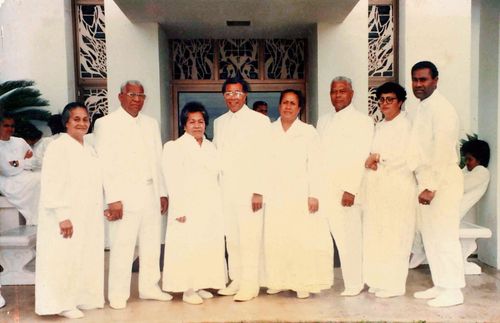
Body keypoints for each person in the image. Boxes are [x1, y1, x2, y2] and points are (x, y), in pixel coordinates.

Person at [93, 80, 171, 309]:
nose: (136, 99)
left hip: (150, 192)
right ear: (120, 97)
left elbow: (158, 159)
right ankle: (118, 293)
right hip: (124, 198)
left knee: (152, 243)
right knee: (122, 245)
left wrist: (162, 192)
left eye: (140, 95)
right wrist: (113, 198)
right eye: (132, 95)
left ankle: (149, 287)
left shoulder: (151, 123)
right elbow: (104, 164)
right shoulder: (106, 124)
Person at [35, 102, 104, 319]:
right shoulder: (58, 146)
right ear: (66, 122)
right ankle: (61, 303)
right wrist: (62, 216)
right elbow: (52, 183)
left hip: (86, 213)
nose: (82, 123)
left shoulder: (89, 148)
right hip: (65, 215)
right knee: (63, 259)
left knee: (81, 257)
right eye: (77, 119)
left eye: (85, 119)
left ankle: (80, 298)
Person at [264, 89, 333, 299]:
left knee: (300, 240)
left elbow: (316, 165)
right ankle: (279, 281)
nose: (288, 107)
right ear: (279, 106)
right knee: (277, 238)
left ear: (299, 108)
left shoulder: (308, 132)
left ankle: (301, 282)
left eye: (293, 103)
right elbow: (262, 164)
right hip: (275, 195)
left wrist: (314, 194)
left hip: (300, 194)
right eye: (285, 102)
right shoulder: (269, 131)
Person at [409, 61, 465, 307]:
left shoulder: (442, 109)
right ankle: (441, 284)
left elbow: (442, 151)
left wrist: (431, 186)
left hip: (441, 182)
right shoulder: (423, 107)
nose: (418, 85)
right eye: (415, 80)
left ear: (436, 80)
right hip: (426, 181)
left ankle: (454, 290)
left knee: (444, 235)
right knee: (431, 236)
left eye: (423, 80)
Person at [161, 102, 227, 305]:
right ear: (184, 125)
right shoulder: (174, 147)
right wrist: (178, 208)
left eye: (200, 121)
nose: (197, 125)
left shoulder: (210, 147)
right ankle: (188, 289)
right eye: (192, 122)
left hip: (209, 205)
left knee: (206, 245)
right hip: (187, 206)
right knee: (187, 246)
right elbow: (172, 180)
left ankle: (201, 283)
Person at [213, 76, 271, 302]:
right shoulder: (219, 122)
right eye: (228, 93)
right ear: (224, 96)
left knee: (249, 238)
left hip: (250, 192)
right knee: (233, 239)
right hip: (226, 191)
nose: (233, 97)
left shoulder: (259, 121)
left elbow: (265, 158)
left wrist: (259, 190)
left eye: (237, 93)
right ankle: (236, 279)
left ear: (245, 94)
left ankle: (250, 284)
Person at [316, 76, 374, 296]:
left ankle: (355, 283)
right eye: (334, 91)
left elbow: (360, 156)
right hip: (326, 190)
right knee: (329, 239)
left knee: (350, 239)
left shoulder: (362, 121)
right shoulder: (324, 120)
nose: (337, 95)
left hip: (347, 192)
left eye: (342, 91)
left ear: (352, 93)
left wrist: (351, 189)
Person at [362, 82, 416, 298]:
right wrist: (374, 159)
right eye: (381, 99)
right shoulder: (381, 125)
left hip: (398, 189)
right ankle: (378, 280)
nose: (384, 104)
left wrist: (377, 158)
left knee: (396, 236)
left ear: (400, 102)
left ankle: (394, 285)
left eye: (390, 99)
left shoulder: (406, 126)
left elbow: (406, 157)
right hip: (378, 189)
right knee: (378, 235)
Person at [409, 139, 491, 268]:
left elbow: (458, 185)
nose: (467, 163)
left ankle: (417, 252)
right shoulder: (469, 171)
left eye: (469, 159)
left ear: (480, 160)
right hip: (448, 208)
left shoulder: (482, 172)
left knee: (420, 217)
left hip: (452, 212)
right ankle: (417, 251)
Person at [0, 114, 40, 225]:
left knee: (44, 176)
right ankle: (35, 219)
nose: (10, 129)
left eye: (12, 126)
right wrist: (23, 160)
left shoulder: (20, 141)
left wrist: (17, 162)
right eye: (6, 126)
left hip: (26, 174)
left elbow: (34, 161)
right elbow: (6, 169)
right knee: (37, 180)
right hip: (8, 181)